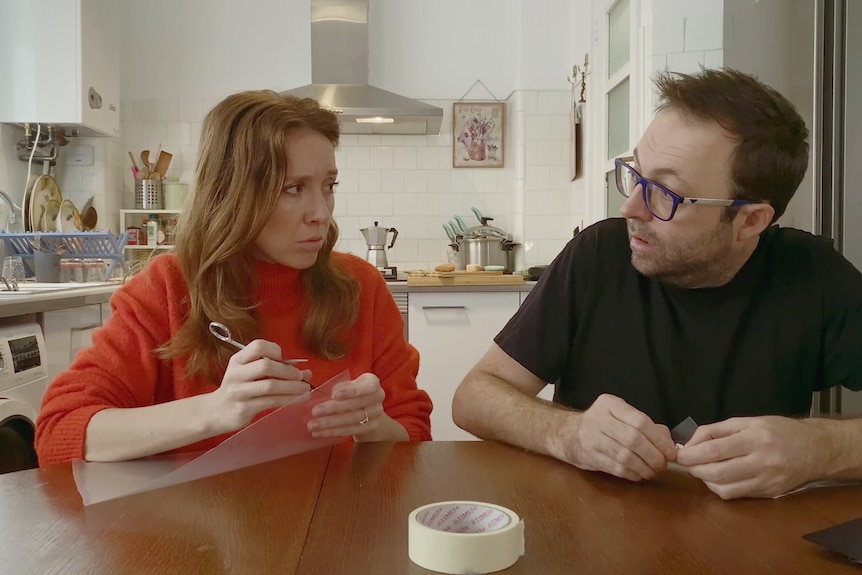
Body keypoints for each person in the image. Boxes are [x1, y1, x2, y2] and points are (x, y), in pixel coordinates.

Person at [452, 68, 862, 500]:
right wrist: (567, 433)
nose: (630, 207)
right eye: (636, 174)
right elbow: (473, 397)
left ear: (750, 220)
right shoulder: (598, 257)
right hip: (596, 540)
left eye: (666, 193)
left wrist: (822, 448)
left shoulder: (811, 275)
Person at [36, 91, 432, 465]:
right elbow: (57, 433)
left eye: (328, 186)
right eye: (293, 188)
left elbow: (414, 436)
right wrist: (214, 410)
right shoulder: (167, 290)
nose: (321, 212)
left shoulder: (361, 286)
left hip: (340, 522)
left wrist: (373, 425)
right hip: (200, 534)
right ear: (232, 195)